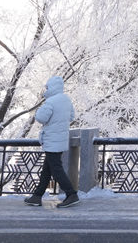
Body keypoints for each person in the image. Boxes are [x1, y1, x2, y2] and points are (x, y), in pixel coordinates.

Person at [24, 76, 79, 208]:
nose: (46, 89)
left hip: (52, 140)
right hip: (60, 139)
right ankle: (37, 196)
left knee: (56, 169)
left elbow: (41, 118)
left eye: (47, 87)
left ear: (52, 87)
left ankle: (71, 194)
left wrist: (38, 111)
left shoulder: (50, 102)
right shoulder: (66, 100)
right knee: (47, 169)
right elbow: (72, 116)